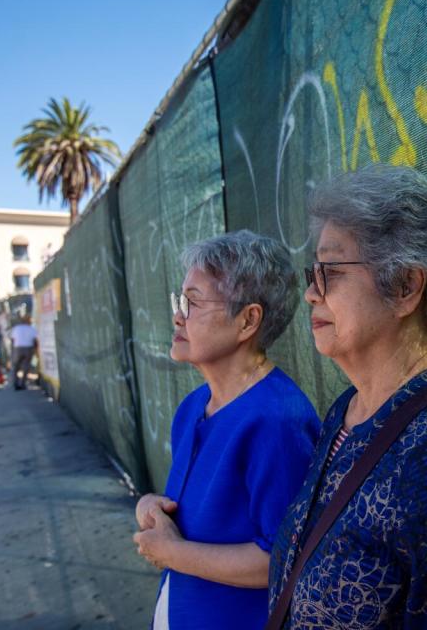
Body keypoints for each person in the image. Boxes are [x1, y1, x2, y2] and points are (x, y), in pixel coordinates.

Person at [268, 165, 427, 629]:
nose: (311, 294)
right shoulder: (347, 409)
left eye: (330, 273)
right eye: (310, 273)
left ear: (404, 287)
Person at [132, 230, 321, 630]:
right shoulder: (191, 407)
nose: (177, 315)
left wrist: (173, 553)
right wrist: (153, 506)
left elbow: (283, 559)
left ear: (248, 320)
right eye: (178, 300)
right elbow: (193, 514)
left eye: (193, 302)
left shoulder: (278, 421)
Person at [9, 316, 38, 389]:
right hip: (28, 348)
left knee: (15, 367)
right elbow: (35, 340)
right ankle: (22, 384)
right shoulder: (31, 329)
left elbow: (12, 339)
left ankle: (15, 383)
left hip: (17, 348)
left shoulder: (16, 328)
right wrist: (35, 350)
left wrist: (13, 349)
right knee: (26, 367)